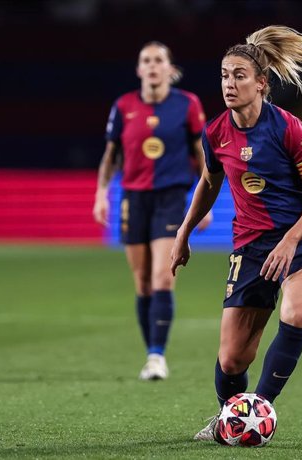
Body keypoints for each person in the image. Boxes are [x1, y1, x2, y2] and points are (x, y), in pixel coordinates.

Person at [169, 25, 302, 440]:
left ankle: (257, 410)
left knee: (298, 312)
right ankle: (231, 415)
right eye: (225, 74)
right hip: (251, 245)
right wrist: (184, 232)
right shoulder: (216, 133)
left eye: (239, 75)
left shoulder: (288, 128)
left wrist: (292, 239)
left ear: (262, 83)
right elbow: (209, 183)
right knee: (231, 361)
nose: (229, 83)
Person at [93, 41, 211, 381]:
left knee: (163, 276)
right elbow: (111, 155)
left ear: (169, 67)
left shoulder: (187, 105)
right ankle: (151, 354)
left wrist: (204, 203)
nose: (153, 66)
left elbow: (201, 155)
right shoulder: (124, 105)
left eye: (159, 60)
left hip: (172, 197)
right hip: (133, 199)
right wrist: (101, 193)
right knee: (143, 283)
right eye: (147, 60)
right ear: (139, 69)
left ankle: (158, 355)